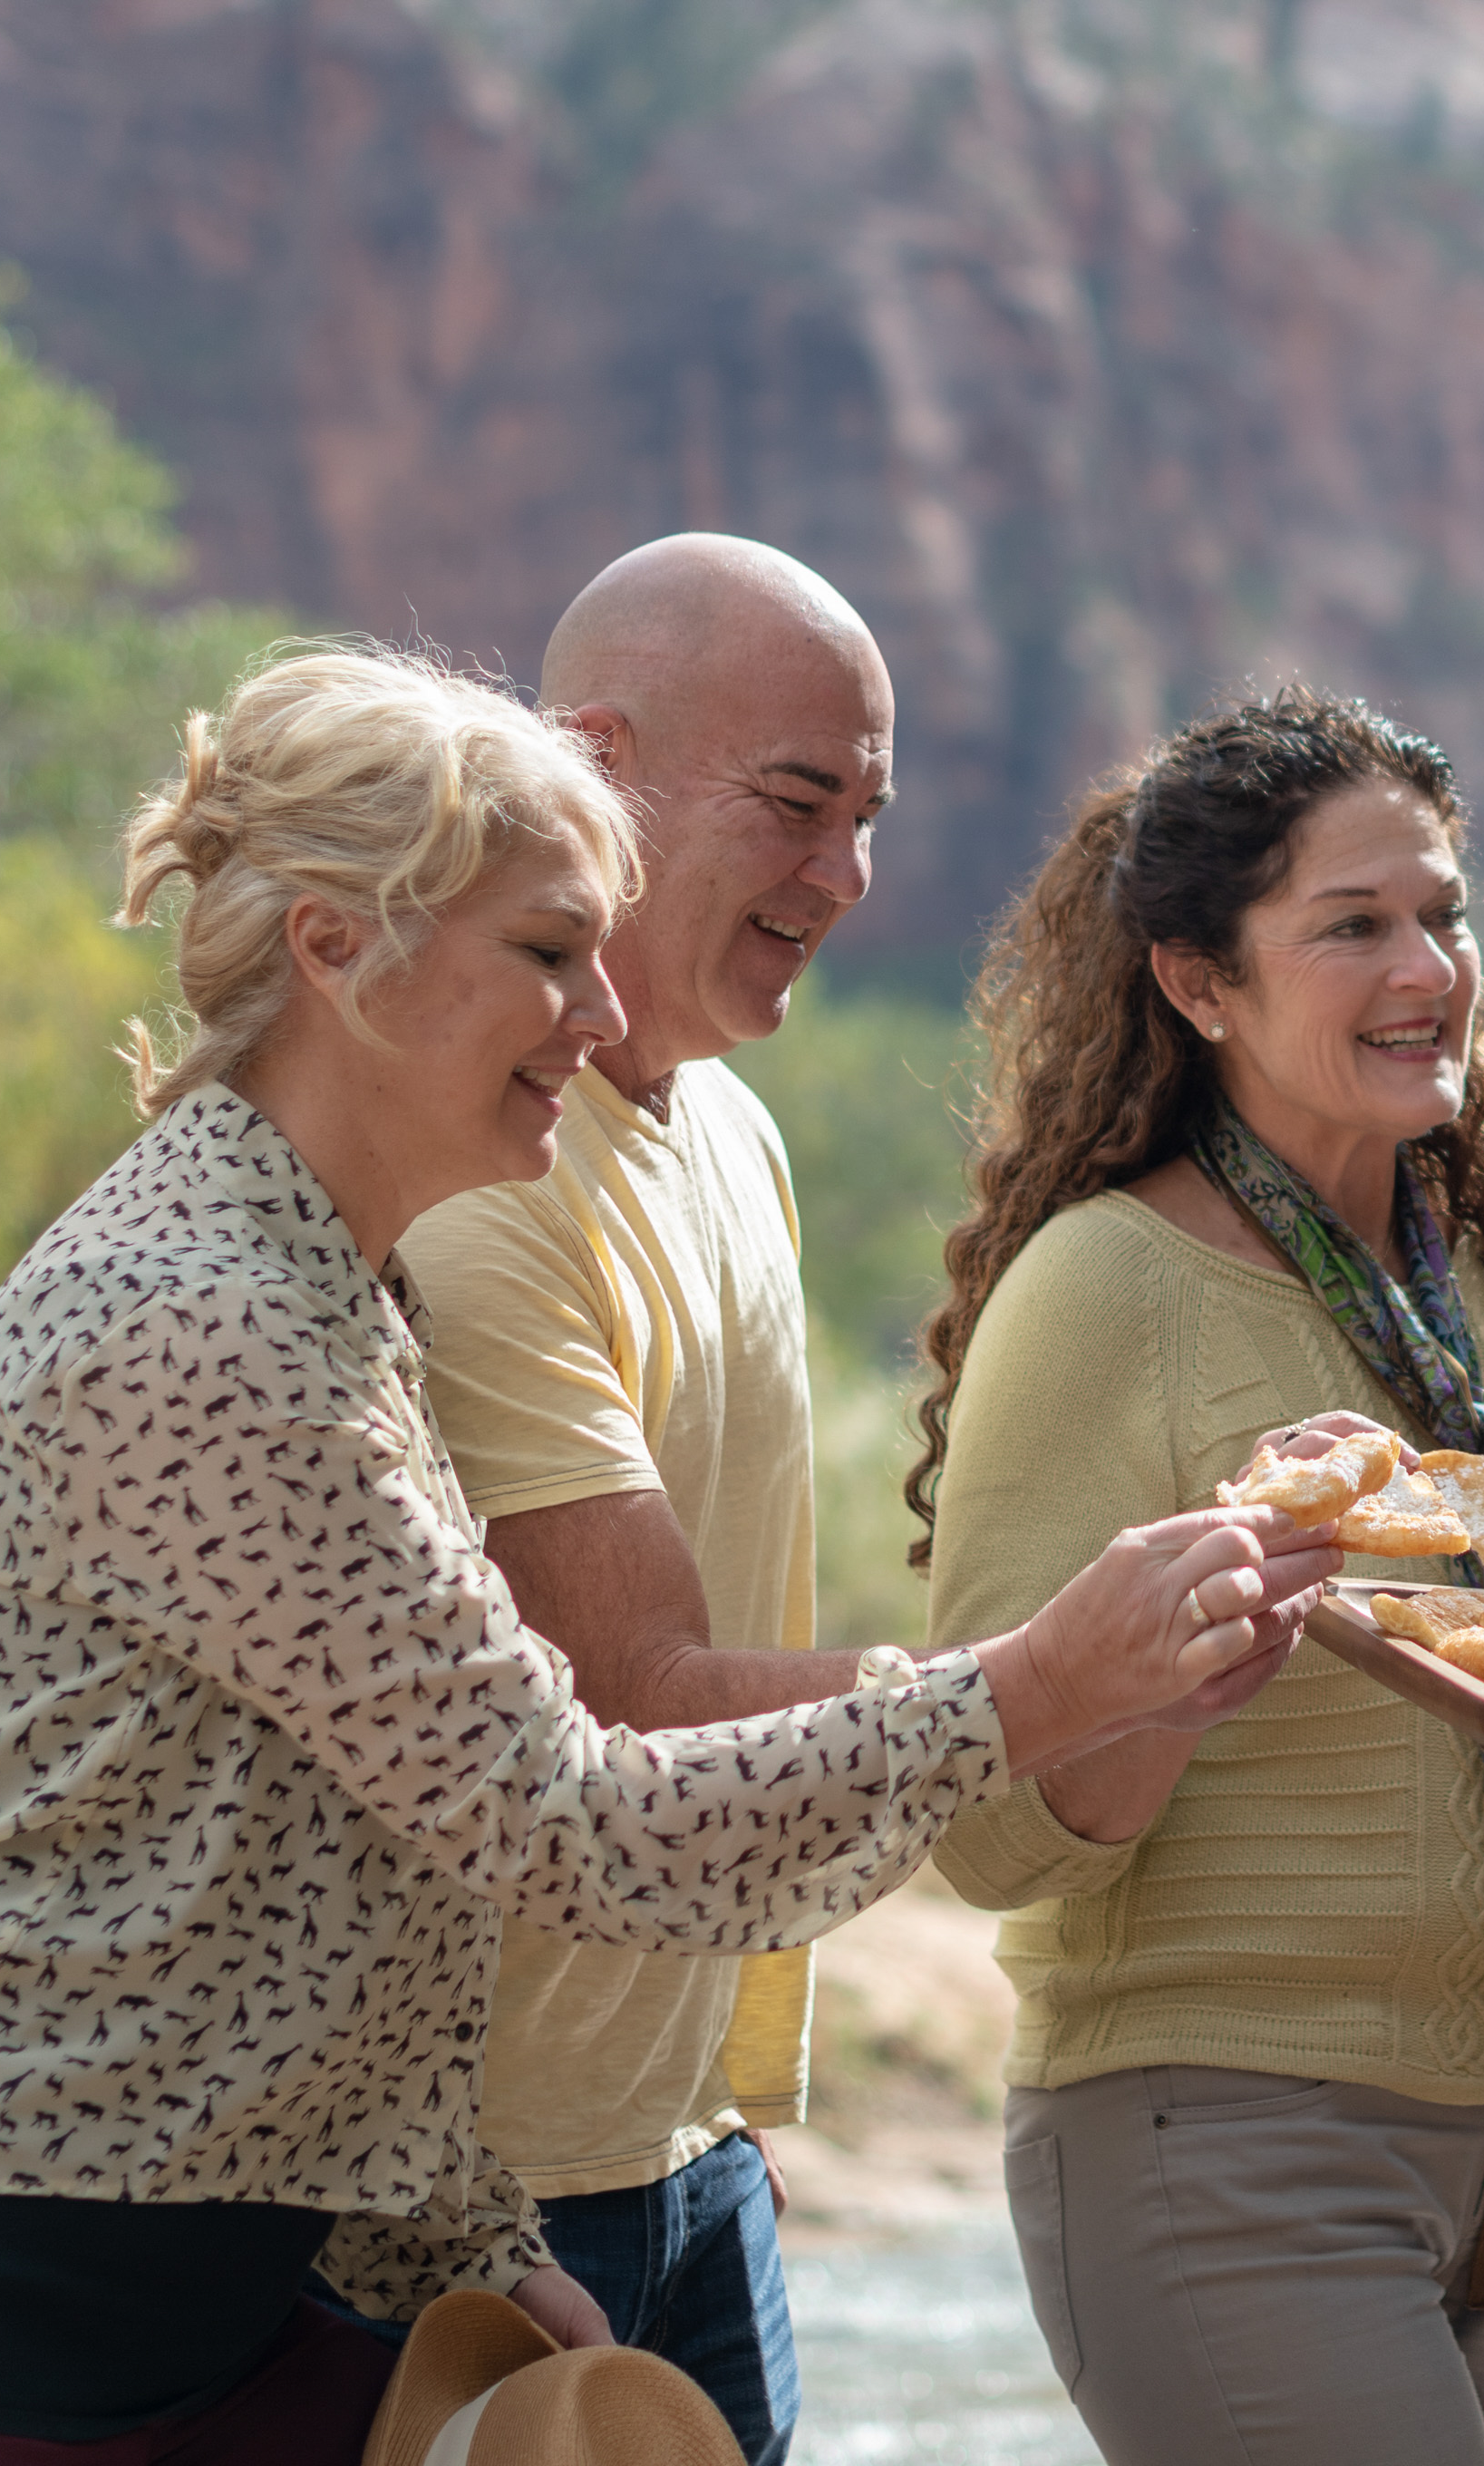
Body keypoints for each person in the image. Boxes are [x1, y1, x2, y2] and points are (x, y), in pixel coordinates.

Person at [0, 643, 1324, 2465]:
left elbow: (339, 1849)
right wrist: (1037, 1682)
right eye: (545, 951)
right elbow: (566, 1823)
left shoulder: (331, 1292)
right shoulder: (207, 1328)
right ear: (335, 950)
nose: (599, 1014)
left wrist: (471, 2238)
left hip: (178, 2293)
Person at [911, 691, 1484, 2464]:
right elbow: (979, 1826)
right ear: (1199, 980)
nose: (1426, 967)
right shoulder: (1098, 1293)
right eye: (1353, 924)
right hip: (1220, 2145)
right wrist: (1164, 1668)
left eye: (1444, 913)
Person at [395, 537, 900, 2463]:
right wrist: (1047, 1679)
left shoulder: (742, 1132)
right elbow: (630, 1692)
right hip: (475, 2197)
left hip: (697, 2152)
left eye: (865, 816)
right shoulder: (481, 1154)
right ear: (592, 762)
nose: (843, 876)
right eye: (795, 801)